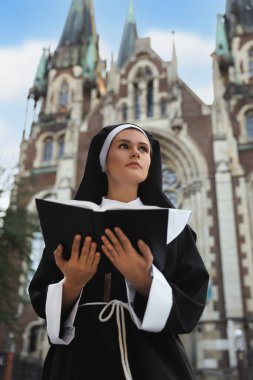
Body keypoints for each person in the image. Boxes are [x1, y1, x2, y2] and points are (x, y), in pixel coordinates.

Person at [29, 123, 209, 380]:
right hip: (80, 360)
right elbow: (40, 294)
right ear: (103, 160)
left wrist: (144, 280)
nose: (136, 153)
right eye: (124, 146)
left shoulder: (174, 227)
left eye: (143, 149)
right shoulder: (68, 222)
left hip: (153, 360)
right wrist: (71, 284)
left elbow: (192, 299)